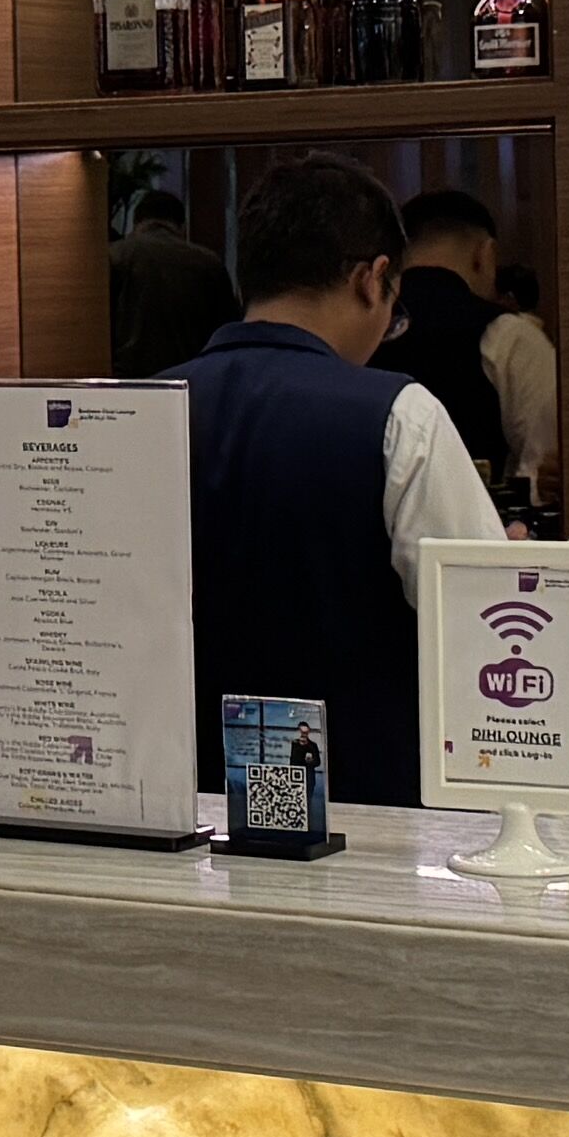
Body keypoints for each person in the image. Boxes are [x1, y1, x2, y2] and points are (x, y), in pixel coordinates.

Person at [176, 155, 504, 812]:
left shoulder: (138, 410)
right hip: (362, 814)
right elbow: (484, 625)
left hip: (180, 809)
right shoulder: (400, 415)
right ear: (371, 279)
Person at [374, 185, 558, 528]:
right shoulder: (509, 335)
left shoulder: (363, 331)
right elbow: (539, 474)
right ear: (484, 255)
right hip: (476, 542)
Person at [108, 179, 238, 382]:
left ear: (136, 223)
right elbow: (227, 331)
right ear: (182, 226)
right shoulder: (208, 263)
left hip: (127, 383)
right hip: (190, 382)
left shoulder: (114, 256)